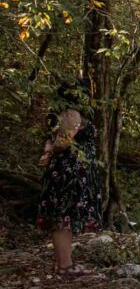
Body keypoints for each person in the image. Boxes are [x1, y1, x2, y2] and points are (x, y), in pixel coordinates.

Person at [37, 96, 102, 276]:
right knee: (62, 217)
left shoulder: (59, 115)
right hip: (68, 175)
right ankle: (65, 266)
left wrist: (48, 152)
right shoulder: (72, 114)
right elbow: (63, 141)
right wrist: (51, 153)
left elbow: (51, 140)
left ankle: (64, 264)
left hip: (67, 172)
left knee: (62, 217)